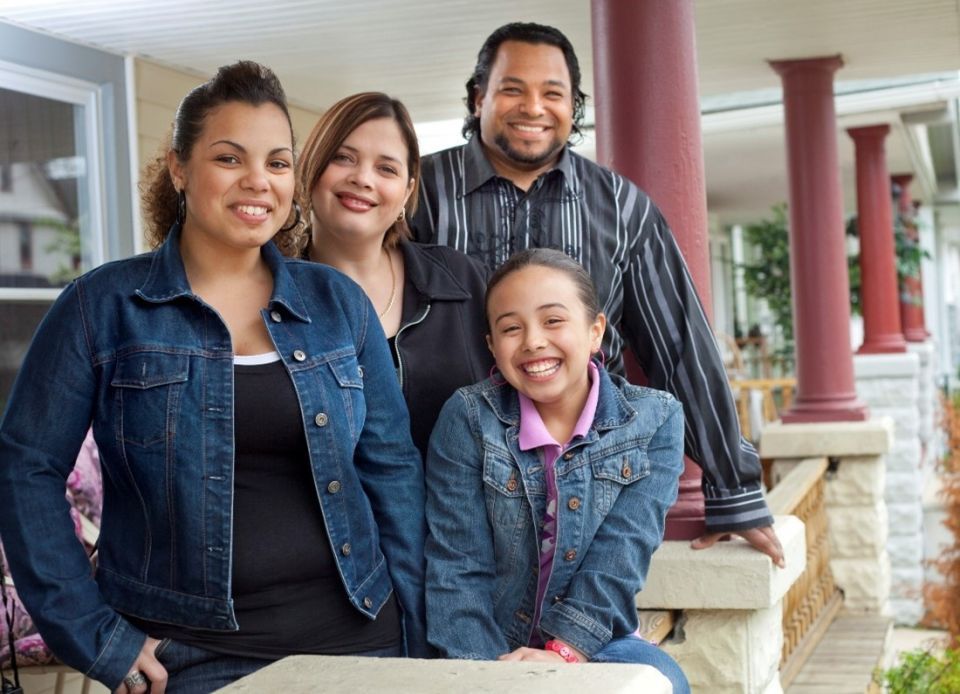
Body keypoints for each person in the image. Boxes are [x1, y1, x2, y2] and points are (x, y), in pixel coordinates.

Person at [0, 61, 427, 694]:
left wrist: (422, 639)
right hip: (189, 655)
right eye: (230, 158)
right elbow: (24, 469)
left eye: (278, 164)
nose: (259, 181)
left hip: (363, 637)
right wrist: (94, 636)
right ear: (179, 168)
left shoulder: (338, 303)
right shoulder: (102, 307)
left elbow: (391, 472)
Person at [410, 21, 784, 565]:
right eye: (512, 88)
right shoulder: (419, 195)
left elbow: (679, 345)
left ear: (574, 106)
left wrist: (735, 490)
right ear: (479, 97)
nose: (533, 107)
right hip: (446, 485)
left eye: (553, 93)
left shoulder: (621, 207)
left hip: (588, 491)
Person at [425, 248, 689, 693]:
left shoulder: (654, 419)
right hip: (491, 640)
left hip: (595, 638)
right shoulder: (469, 417)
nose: (532, 341)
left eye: (553, 321)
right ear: (491, 344)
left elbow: (621, 553)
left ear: (594, 331)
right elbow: (457, 565)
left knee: (665, 682)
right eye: (511, 328)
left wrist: (564, 650)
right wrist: (484, 673)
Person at [298, 92, 491, 456]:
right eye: (343, 158)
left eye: (386, 168)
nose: (362, 178)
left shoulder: (463, 281)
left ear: (407, 191)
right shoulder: (270, 293)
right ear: (311, 167)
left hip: (463, 510)